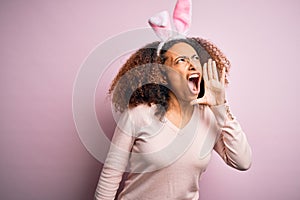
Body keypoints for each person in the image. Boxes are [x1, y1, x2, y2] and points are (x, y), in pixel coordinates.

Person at [94, 37, 252, 200]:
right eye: (181, 60)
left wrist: (221, 106)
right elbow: (110, 176)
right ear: (163, 73)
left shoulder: (210, 115)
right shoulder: (139, 114)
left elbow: (242, 161)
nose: (192, 64)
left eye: (195, 58)